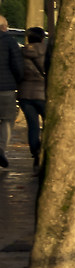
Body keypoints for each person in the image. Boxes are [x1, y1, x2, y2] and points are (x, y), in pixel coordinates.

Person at [10, 26, 46, 167]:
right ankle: (44, 151)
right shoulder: (47, 52)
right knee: (48, 124)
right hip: (43, 93)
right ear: (42, 38)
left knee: (33, 126)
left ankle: (35, 152)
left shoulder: (21, 52)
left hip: (25, 94)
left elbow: (17, 72)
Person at [0, 13, 18, 170]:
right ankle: (1, 149)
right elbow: (17, 65)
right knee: (7, 120)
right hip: (6, 89)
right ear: (4, 27)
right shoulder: (10, 41)